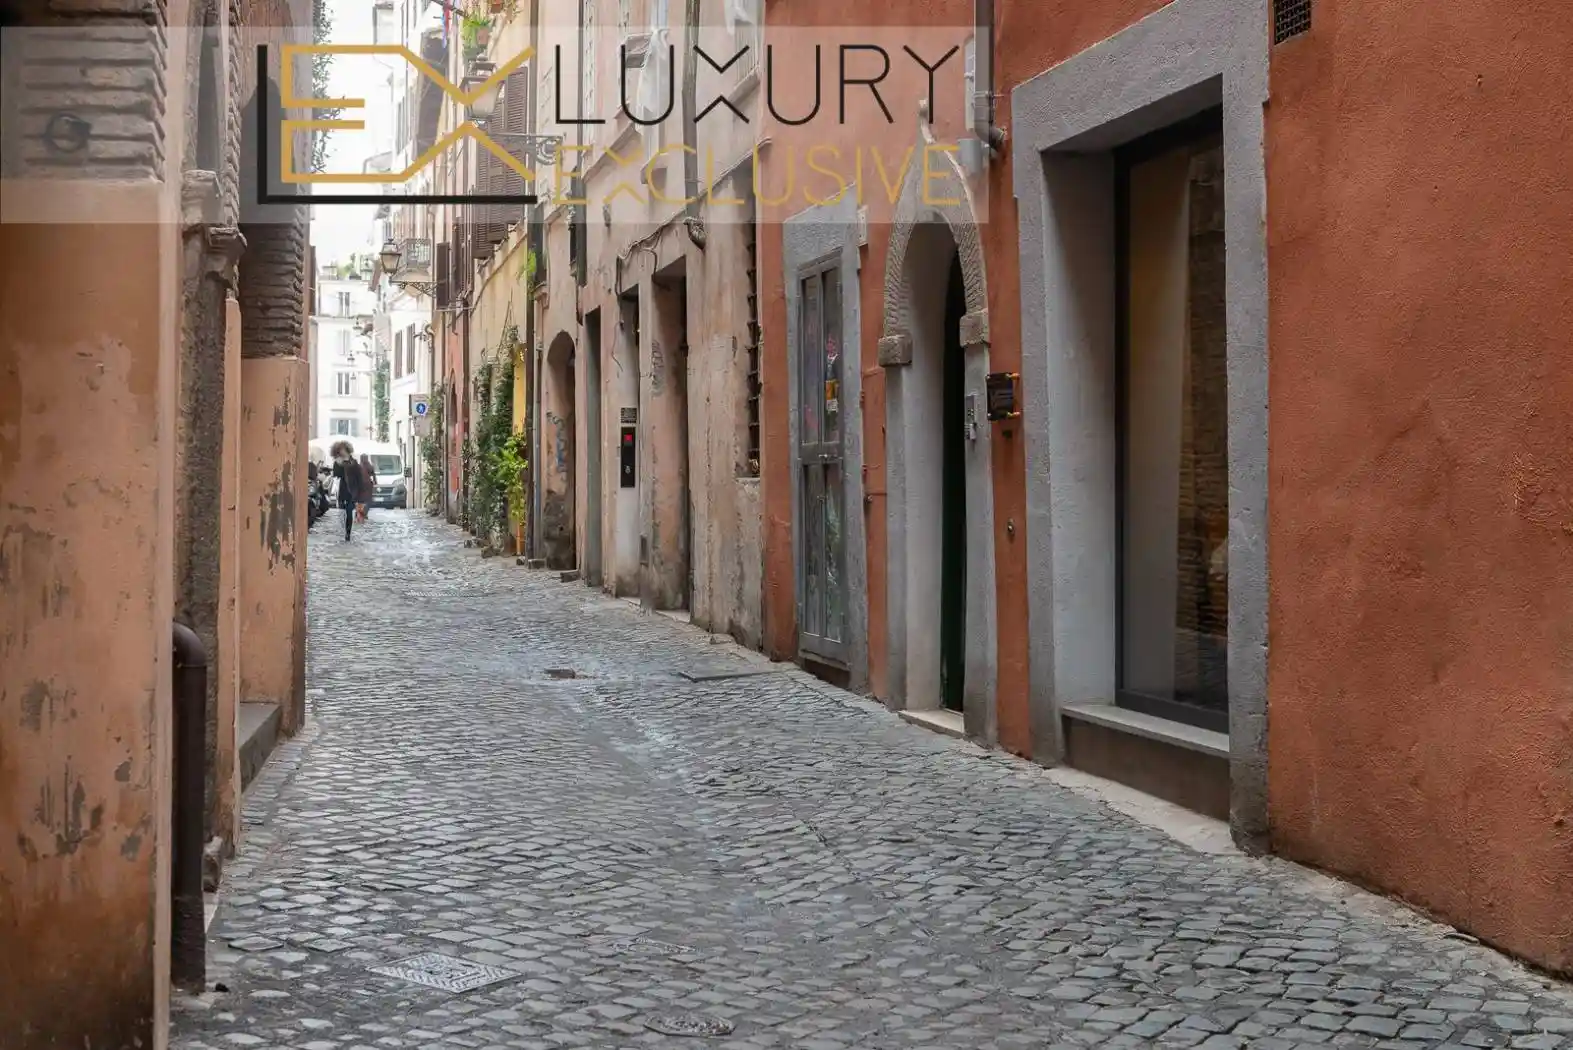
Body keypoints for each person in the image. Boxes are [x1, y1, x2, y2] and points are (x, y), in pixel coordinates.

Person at [330, 440, 362, 541]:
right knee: (343, 511)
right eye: (340, 450)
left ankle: (348, 533)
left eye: (343, 449)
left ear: (347, 449)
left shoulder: (354, 461)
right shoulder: (338, 462)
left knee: (349, 510)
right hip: (343, 488)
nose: (341, 451)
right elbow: (336, 475)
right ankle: (346, 529)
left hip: (352, 489)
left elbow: (358, 475)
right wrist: (339, 465)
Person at [357, 453, 377, 523]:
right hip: (367, 485)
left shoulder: (359, 466)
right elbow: (373, 474)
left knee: (360, 501)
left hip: (360, 486)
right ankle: (364, 513)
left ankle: (359, 514)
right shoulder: (369, 466)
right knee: (368, 500)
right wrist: (375, 481)